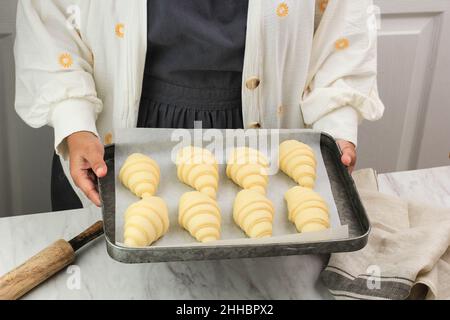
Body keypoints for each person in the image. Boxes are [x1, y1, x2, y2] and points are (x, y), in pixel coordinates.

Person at [14, 0, 384, 211]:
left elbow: (343, 29)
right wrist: (74, 124)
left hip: (260, 144)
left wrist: (337, 127)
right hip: (108, 141)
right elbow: (50, 22)